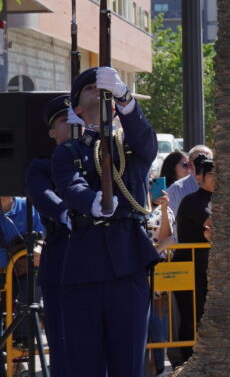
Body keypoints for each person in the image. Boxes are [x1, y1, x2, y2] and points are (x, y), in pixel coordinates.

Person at [51, 66, 160, 376]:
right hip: (83, 270)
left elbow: (147, 142)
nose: (99, 91)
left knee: (128, 365)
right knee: (84, 365)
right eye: (90, 88)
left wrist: (126, 99)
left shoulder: (130, 148)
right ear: (76, 108)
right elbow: (70, 185)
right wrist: (94, 202)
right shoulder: (68, 152)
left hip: (128, 266)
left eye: (105, 89)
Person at [26, 94, 74, 376]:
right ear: (52, 132)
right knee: (64, 349)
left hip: (98, 264)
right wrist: (71, 215)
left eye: (75, 118)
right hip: (62, 262)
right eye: (63, 120)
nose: (71, 124)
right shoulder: (42, 166)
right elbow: (43, 197)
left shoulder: (97, 161)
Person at [173, 155, 216, 365]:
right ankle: (186, 361)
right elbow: (212, 223)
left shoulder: (221, 200)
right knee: (191, 317)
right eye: (212, 174)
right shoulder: (192, 200)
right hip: (188, 268)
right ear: (199, 176)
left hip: (210, 269)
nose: (217, 178)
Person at [168, 144, 213, 214]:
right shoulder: (176, 189)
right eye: (201, 162)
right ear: (190, 165)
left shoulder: (220, 186)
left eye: (210, 161)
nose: (206, 165)